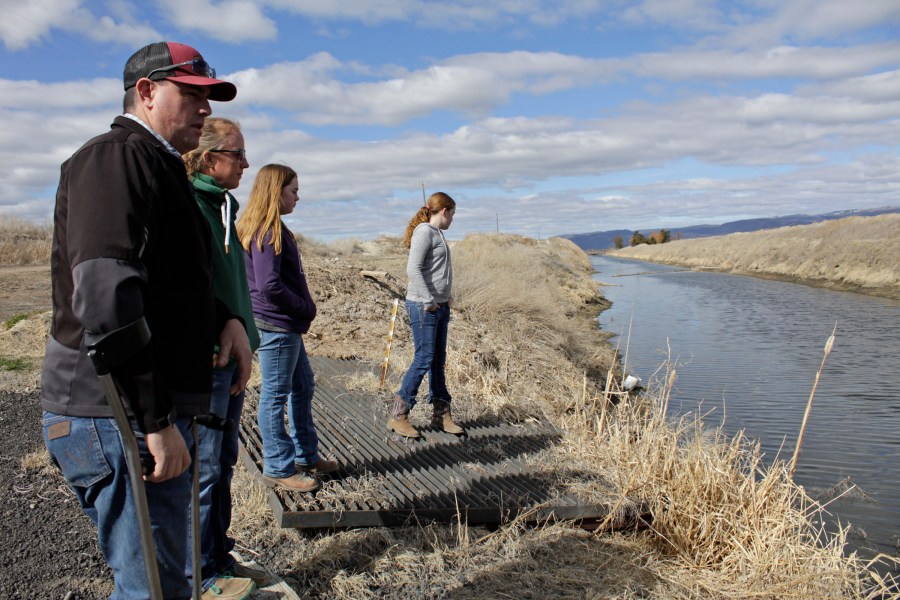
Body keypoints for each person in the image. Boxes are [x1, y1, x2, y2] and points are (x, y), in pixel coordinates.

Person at [41, 42, 254, 600]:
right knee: (152, 591)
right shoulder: (115, 159)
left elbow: (168, 282)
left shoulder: (159, 166)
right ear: (147, 91)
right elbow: (107, 300)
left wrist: (225, 317)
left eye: (210, 99)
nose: (205, 110)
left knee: (168, 582)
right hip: (115, 413)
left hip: (139, 413)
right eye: (193, 95)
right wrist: (154, 421)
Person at [182, 118, 267, 594]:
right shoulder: (188, 205)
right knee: (205, 469)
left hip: (233, 358)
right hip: (208, 362)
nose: (246, 163)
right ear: (210, 158)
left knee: (224, 462)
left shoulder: (226, 205)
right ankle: (201, 574)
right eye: (237, 155)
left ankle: (219, 555)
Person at [236, 164, 338, 492]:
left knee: (303, 385)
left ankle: (306, 455)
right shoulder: (268, 230)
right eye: (293, 190)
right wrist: (304, 306)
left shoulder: (267, 226)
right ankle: (279, 466)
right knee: (276, 394)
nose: (298, 196)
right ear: (275, 191)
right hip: (278, 326)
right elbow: (268, 285)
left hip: (282, 325)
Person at [387, 192, 465, 439]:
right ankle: (399, 414)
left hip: (440, 306)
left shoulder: (438, 234)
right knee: (424, 358)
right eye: (452, 214)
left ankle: (441, 413)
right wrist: (431, 300)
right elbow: (413, 269)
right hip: (423, 307)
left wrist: (446, 296)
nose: (453, 219)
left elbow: (438, 271)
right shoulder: (424, 232)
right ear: (444, 211)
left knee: (437, 361)